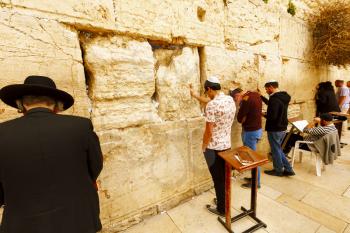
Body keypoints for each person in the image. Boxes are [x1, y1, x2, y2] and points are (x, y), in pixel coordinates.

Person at [0, 75, 103, 233]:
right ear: (57, 105)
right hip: (78, 217)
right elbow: (95, 166)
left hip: (23, 223)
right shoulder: (81, 126)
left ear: (21, 104)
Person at [202, 76, 235, 217]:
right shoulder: (229, 99)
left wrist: (204, 146)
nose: (207, 95)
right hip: (226, 146)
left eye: (206, 92)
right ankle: (223, 200)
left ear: (209, 89)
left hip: (213, 148)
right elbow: (212, 103)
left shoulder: (211, 105)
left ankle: (222, 209)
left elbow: (208, 130)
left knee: (218, 179)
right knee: (224, 177)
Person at [261, 80, 295, 177]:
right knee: (278, 148)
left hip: (275, 128)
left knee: (275, 150)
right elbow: (272, 104)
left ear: (271, 87)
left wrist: (263, 114)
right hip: (283, 127)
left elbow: (273, 116)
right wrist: (261, 97)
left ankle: (278, 170)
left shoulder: (274, 99)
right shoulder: (283, 97)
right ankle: (288, 169)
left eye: (267, 89)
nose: (266, 91)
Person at [231, 88, 263, 188]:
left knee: (252, 158)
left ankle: (256, 183)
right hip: (257, 129)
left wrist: (241, 107)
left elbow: (240, 118)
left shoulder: (246, 99)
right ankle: (254, 178)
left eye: (235, 99)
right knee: (252, 156)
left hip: (250, 132)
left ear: (237, 95)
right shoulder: (255, 94)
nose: (236, 101)